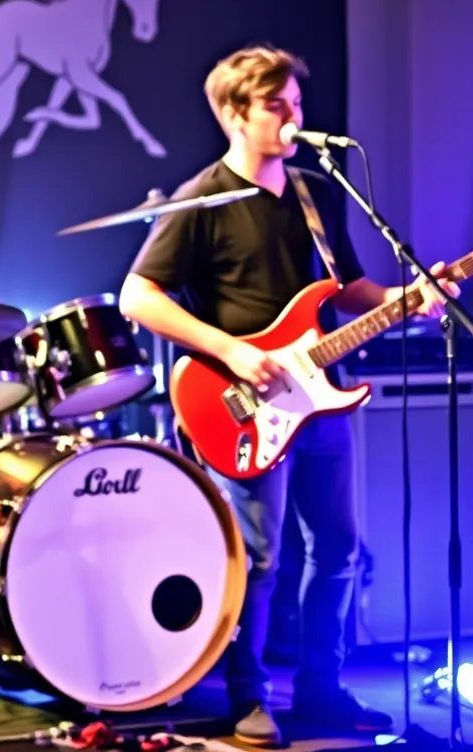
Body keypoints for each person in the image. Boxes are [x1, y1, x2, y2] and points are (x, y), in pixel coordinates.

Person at [119, 46, 459, 746]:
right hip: (239, 403)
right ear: (233, 114)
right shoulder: (202, 198)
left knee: (338, 547)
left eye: (295, 104)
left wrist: (408, 298)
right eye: (276, 104)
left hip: (320, 399)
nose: (293, 117)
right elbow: (137, 295)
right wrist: (233, 350)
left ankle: (321, 690)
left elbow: (350, 288)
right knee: (261, 558)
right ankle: (248, 698)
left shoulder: (316, 191)